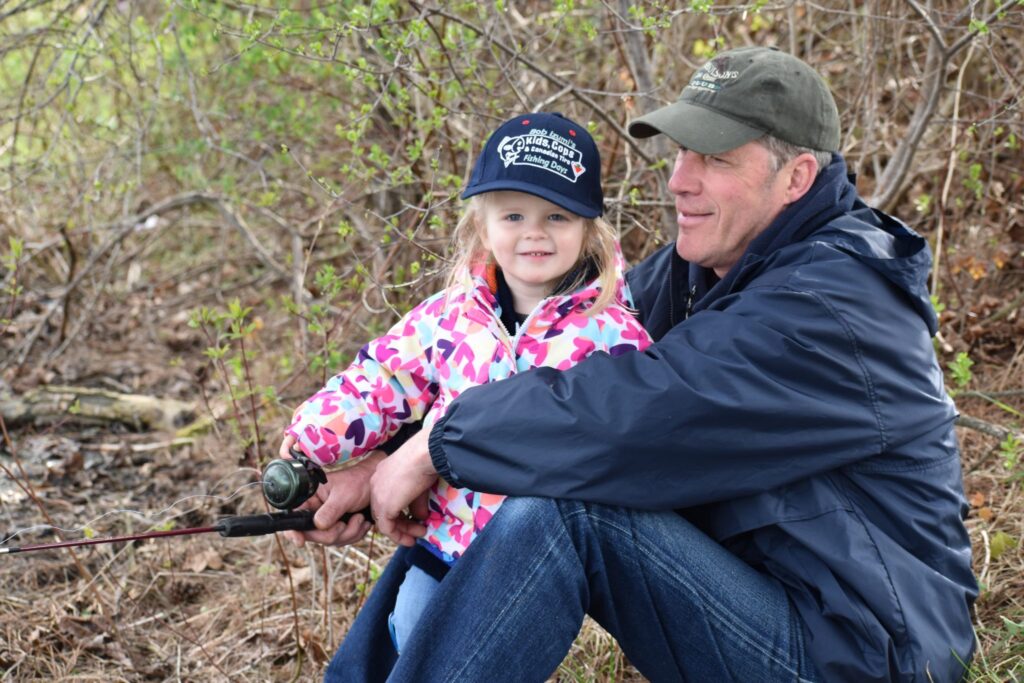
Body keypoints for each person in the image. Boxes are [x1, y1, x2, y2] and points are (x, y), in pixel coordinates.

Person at [304, 47, 978, 682]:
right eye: (682, 151)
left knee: (565, 510)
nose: (679, 180)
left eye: (714, 158)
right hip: (760, 602)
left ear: (796, 177)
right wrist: (377, 463)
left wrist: (437, 447)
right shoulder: (703, 273)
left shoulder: (836, 303)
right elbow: (540, 365)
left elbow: (631, 411)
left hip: (857, 652)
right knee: (501, 471)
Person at [279, 111, 652, 655]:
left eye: (557, 216)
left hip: (537, 553)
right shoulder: (450, 316)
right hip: (448, 539)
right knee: (413, 632)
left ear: (588, 226)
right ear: (482, 225)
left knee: (483, 657)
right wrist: (311, 438)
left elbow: (624, 434)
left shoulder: (611, 332)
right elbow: (382, 377)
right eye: (514, 215)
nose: (534, 233)